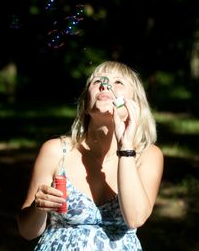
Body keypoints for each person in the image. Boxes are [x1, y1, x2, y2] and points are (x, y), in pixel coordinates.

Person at [17, 61, 164, 250]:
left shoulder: (147, 155)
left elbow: (135, 217)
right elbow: (27, 232)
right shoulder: (56, 151)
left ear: (135, 104)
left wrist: (125, 145)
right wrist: (39, 207)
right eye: (97, 82)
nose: (105, 85)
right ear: (86, 105)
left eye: (118, 82)